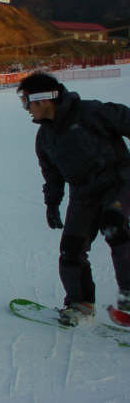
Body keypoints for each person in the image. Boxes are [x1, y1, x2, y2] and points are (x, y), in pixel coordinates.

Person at [18, 72, 130, 326]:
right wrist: (52, 204)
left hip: (119, 182)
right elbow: (53, 175)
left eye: (26, 102)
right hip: (84, 194)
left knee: (114, 225)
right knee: (71, 249)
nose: (26, 109)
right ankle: (80, 304)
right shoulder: (45, 138)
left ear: (44, 100)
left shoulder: (92, 112)